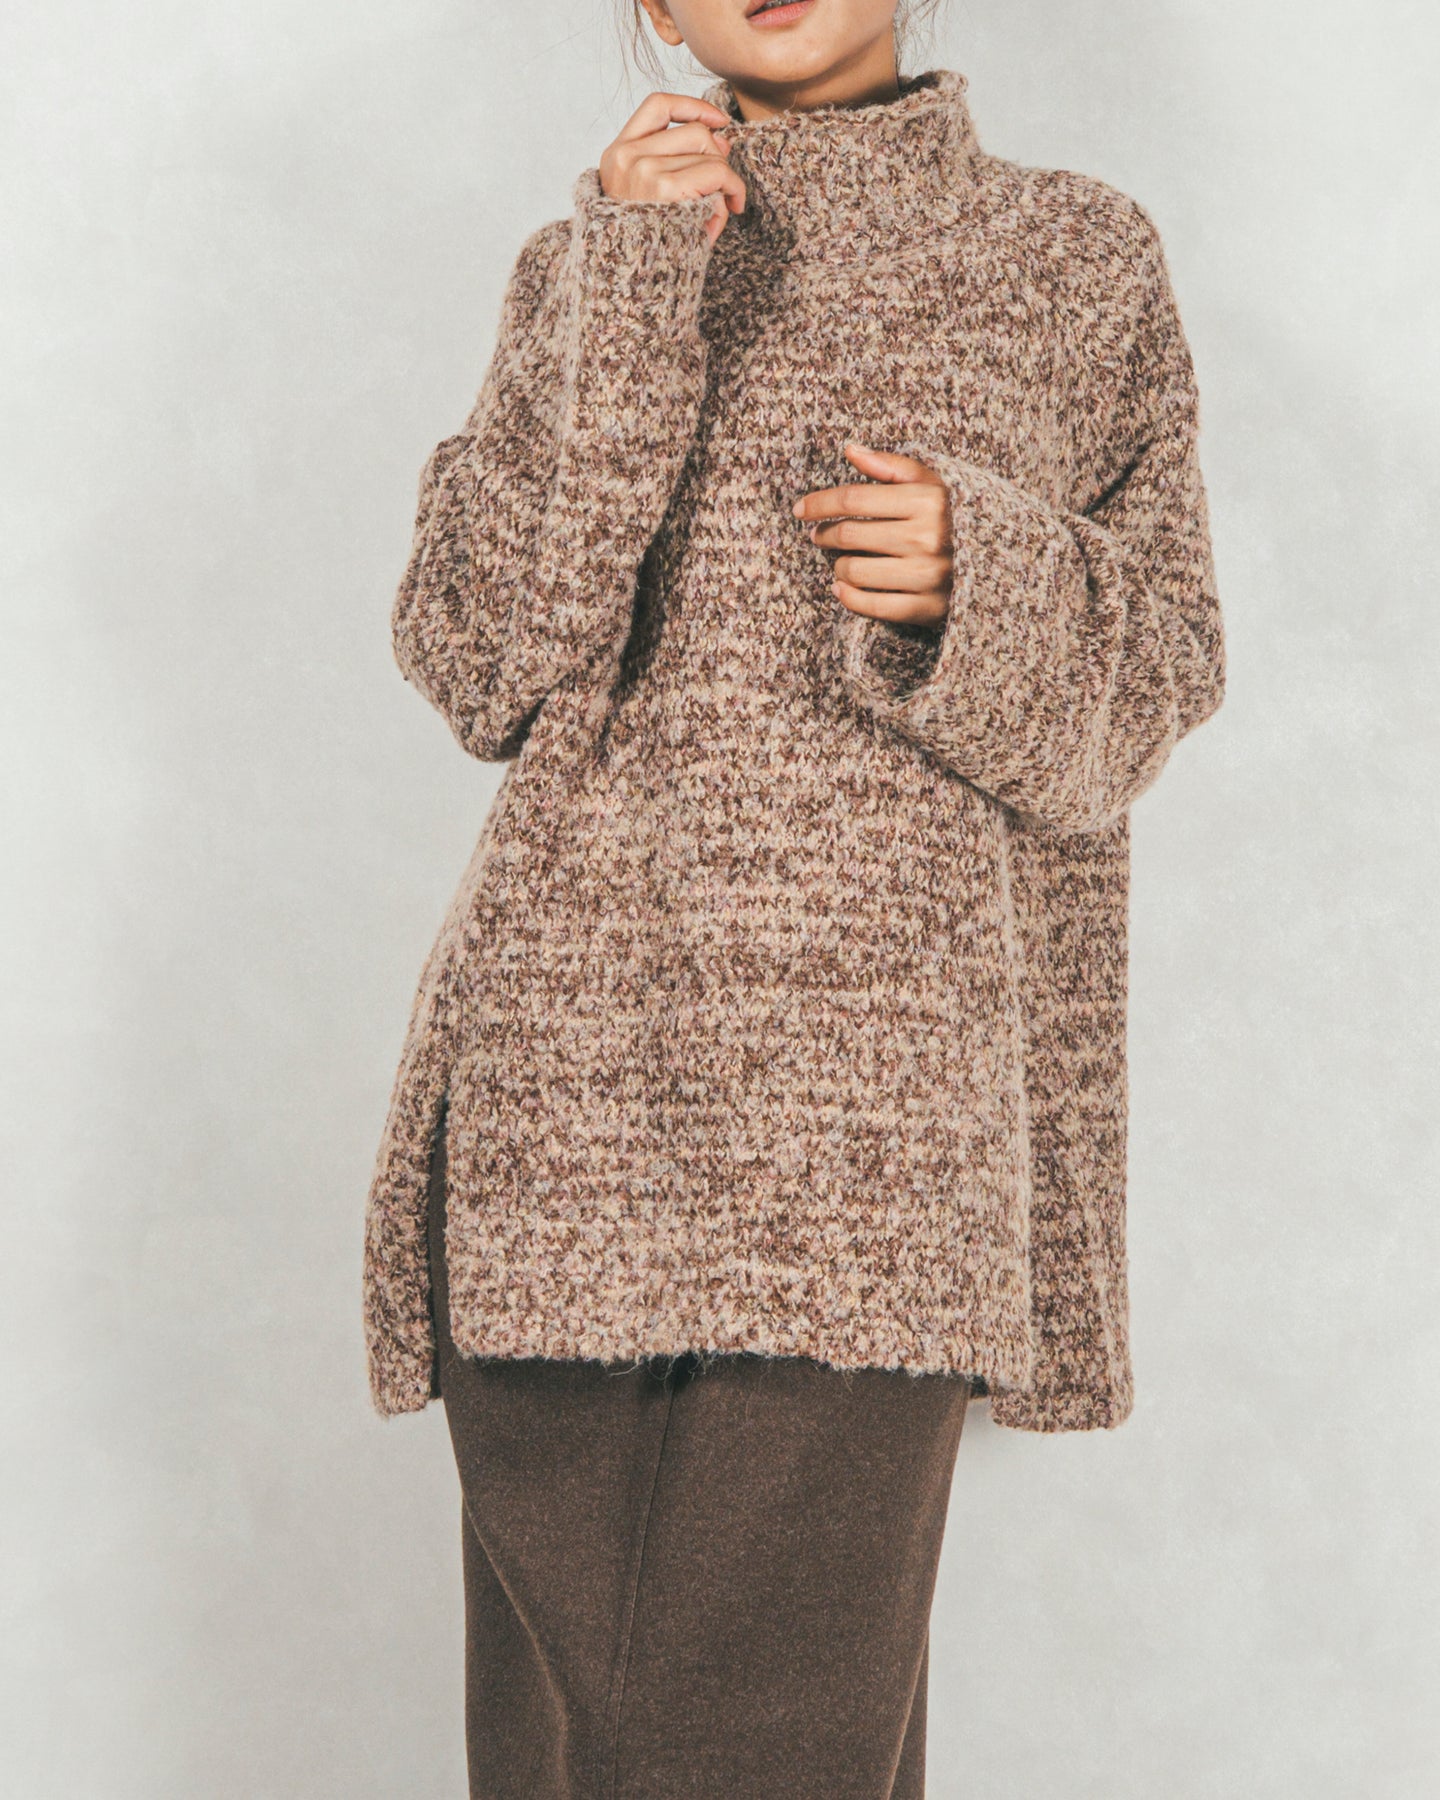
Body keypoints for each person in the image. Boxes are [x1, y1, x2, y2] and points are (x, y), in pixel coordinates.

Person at [362, 0, 1226, 1791]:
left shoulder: (1074, 254)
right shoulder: (589, 261)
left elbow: (1157, 680)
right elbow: (478, 657)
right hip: (566, 1131)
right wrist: (626, 285)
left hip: (876, 1162)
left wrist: (983, 574)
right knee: (569, 1763)